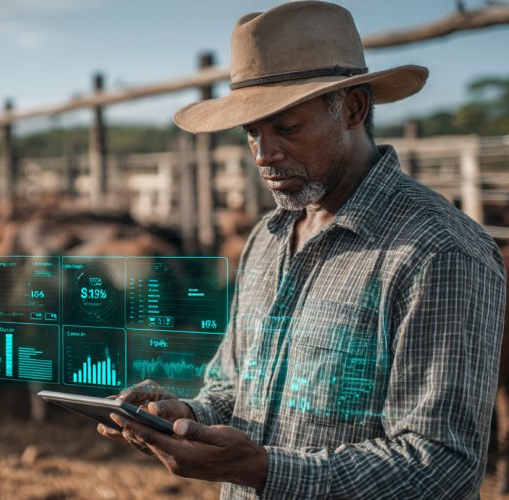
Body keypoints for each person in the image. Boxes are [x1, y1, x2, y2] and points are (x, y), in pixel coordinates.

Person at [96, 2, 506, 498]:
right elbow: (233, 389)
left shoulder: (437, 252)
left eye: (287, 128)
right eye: (252, 132)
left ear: (353, 109)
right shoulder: (266, 238)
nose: (263, 154)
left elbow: (442, 463)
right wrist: (184, 417)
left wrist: (265, 470)